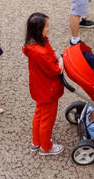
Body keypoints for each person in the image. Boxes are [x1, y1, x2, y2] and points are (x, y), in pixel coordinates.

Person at [23, 13, 64, 157]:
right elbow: (55, 70)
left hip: (39, 87)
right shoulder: (40, 50)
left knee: (39, 115)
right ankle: (46, 147)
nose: (49, 28)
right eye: (46, 26)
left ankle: (36, 142)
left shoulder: (33, 45)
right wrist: (60, 60)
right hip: (48, 89)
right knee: (48, 120)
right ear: (39, 29)